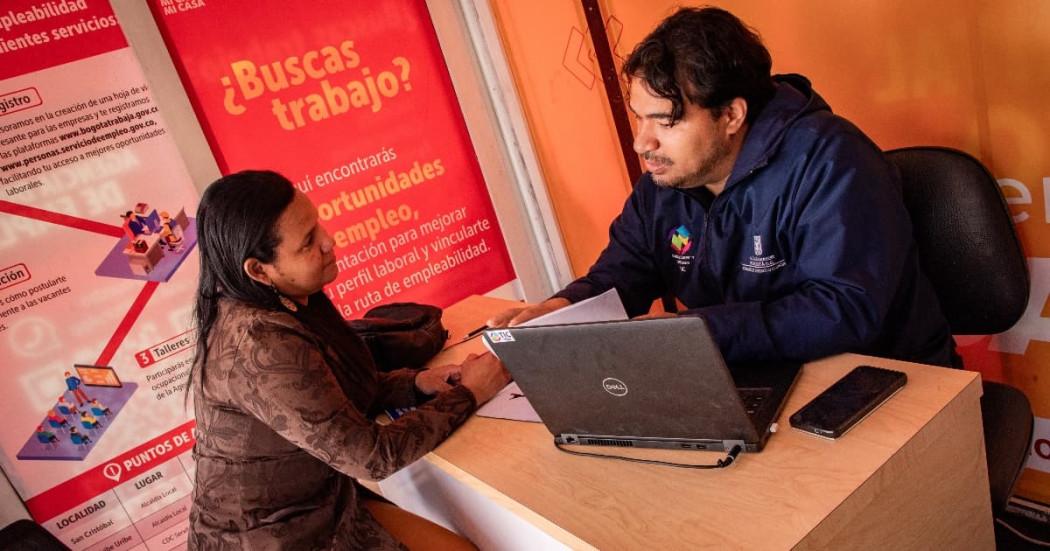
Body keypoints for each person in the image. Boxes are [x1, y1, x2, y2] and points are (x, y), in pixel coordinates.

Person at [489, 7, 954, 367]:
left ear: (731, 115)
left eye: (666, 121)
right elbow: (625, 271)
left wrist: (698, 332)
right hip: (761, 373)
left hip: (892, 379)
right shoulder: (668, 173)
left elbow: (846, 309)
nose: (641, 142)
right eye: (638, 117)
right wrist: (561, 308)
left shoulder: (832, 160)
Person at [188, 170, 509, 550]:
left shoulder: (285, 298)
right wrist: (470, 392)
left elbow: (332, 388)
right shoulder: (259, 343)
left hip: (326, 507)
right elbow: (371, 458)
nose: (329, 241)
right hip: (277, 538)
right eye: (308, 241)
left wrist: (418, 383)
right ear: (259, 270)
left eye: (317, 225)